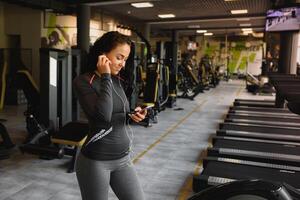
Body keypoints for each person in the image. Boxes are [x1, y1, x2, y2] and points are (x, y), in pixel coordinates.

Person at [73, 31, 146, 200]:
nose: (122, 64)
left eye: (125, 59)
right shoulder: (84, 81)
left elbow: (117, 112)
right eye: (119, 57)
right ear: (103, 55)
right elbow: (102, 118)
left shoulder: (117, 79)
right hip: (96, 162)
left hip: (123, 159)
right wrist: (105, 75)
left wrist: (133, 115)